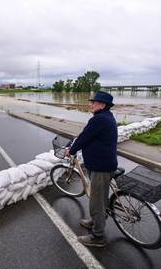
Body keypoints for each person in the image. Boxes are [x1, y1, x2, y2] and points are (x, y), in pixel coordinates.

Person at [67, 90, 118, 247]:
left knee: (96, 202)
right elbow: (90, 137)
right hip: (104, 163)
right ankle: (96, 222)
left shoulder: (99, 119)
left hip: (100, 167)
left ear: (102, 105)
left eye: (94, 102)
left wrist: (72, 149)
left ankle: (98, 236)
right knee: (101, 198)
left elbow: (84, 137)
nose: (91, 104)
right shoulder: (107, 117)